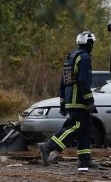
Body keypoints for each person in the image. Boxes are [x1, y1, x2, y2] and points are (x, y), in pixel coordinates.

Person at [38, 31, 99, 171]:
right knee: (76, 126)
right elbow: (83, 81)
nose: (93, 46)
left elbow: (63, 82)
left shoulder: (71, 57)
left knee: (87, 129)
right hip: (79, 100)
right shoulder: (84, 58)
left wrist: (62, 102)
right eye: (92, 43)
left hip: (70, 98)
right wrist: (90, 101)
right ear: (89, 43)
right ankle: (48, 146)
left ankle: (84, 160)